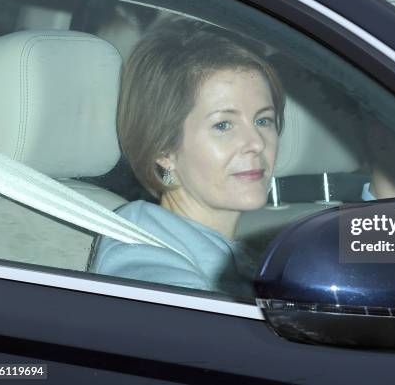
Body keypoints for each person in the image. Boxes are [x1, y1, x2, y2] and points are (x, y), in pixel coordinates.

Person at [90, 17, 285, 298]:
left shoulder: (250, 248)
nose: (255, 142)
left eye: (263, 120)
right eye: (223, 125)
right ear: (164, 149)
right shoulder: (141, 251)